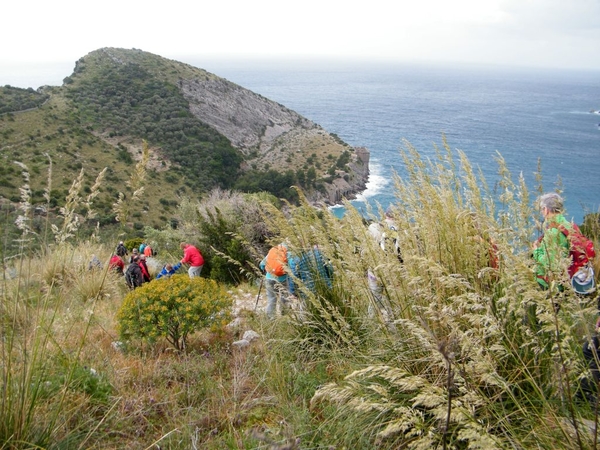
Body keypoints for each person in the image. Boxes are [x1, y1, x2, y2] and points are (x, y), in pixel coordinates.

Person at [532, 193, 572, 290]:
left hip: (551, 286)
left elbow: (550, 264)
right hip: (566, 280)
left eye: (542, 209)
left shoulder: (553, 232)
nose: (542, 212)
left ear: (546, 209)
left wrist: (536, 251)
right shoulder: (569, 225)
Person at [259, 243, 293, 319]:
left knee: (271, 298)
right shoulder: (288, 252)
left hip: (269, 278)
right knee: (284, 297)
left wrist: (267, 270)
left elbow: (261, 264)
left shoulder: (273, 249)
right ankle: (284, 314)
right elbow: (291, 265)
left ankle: (270, 318)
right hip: (283, 279)